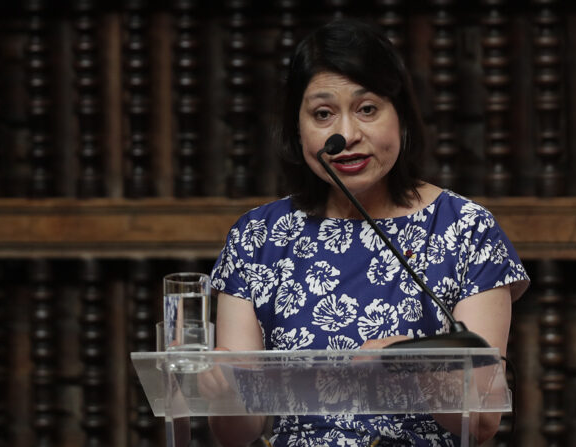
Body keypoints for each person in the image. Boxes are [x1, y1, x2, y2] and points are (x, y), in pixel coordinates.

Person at [207, 18, 529, 447]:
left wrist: (410, 365)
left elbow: (482, 423)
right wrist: (220, 391)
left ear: (402, 117)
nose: (347, 135)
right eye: (323, 114)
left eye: (367, 109)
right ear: (297, 127)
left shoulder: (466, 229)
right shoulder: (257, 237)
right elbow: (236, 434)